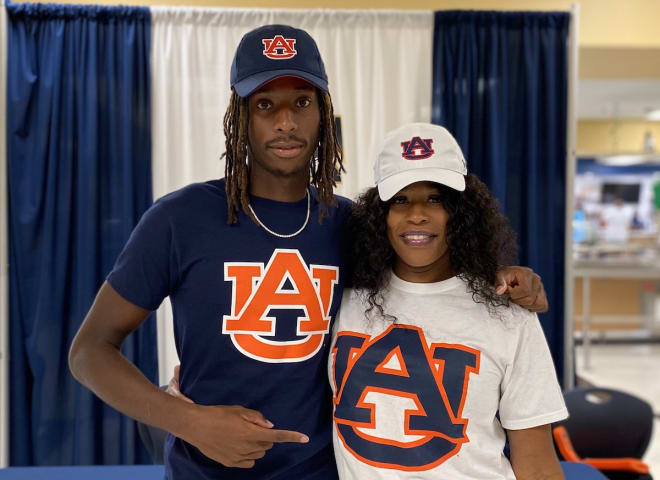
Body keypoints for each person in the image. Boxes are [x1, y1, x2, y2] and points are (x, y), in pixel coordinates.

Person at [69, 25, 549, 480]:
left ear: (323, 115)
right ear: (240, 117)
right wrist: (187, 422)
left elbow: (432, 264)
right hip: (206, 472)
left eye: (302, 102)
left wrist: (502, 274)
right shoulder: (178, 219)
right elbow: (89, 351)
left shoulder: (353, 225)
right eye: (264, 104)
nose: (285, 121)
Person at [329, 123, 567, 480]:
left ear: (462, 213)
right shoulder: (344, 299)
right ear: (380, 215)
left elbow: (536, 462)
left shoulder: (508, 313)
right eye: (401, 200)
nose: (418, 215)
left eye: (436, 200)